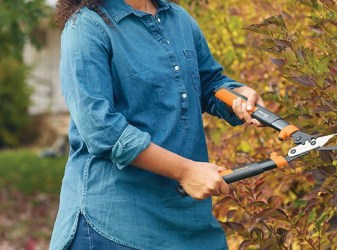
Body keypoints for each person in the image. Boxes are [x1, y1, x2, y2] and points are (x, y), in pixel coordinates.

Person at [50, 0, 264, 249]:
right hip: (115, 225)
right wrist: (186, 171)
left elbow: (209, 83)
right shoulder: (86, 27)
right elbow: (101, 129)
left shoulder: (178, 18)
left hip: (189, 223)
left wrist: (237, 95)